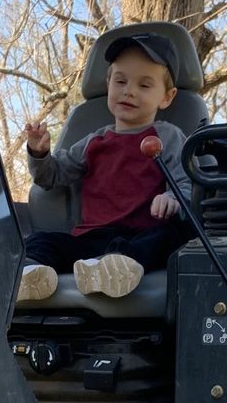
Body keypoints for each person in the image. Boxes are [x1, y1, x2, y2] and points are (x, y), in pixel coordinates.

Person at [18, 33, 193, 301]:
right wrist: (39, 153)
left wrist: (171, 197)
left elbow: (185, 183)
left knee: (173, 235)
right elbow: (51, 176)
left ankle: (117, 269)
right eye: (120, 81)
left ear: (166, 97)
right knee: (41, 241)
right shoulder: (93, 142)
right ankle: (32, 275)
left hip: (140, 237)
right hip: (91, 240)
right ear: (108, 83)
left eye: (144, 85)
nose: (129, 91)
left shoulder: (167, 137)